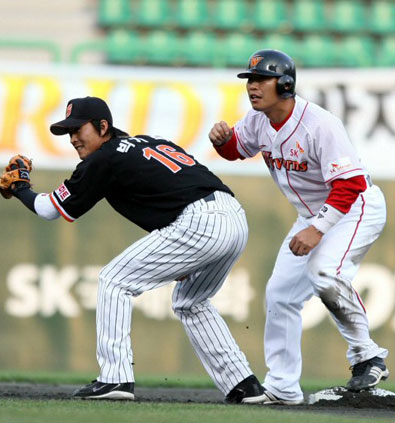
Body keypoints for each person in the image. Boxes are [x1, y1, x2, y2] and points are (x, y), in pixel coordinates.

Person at [0, 96, 268, 403]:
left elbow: (49, 209)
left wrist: (21, 188)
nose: (73, 137)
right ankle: (244, 386)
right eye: (67, 132)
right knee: (190, 302)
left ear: (103, 127)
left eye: (78, 129)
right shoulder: (147, 143)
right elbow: (172, 191)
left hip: (200, 222)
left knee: (114, 281)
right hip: (232, 215)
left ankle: (115, 378)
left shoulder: (105, 158)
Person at [208, 50, 389, 405]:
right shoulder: (259, 120)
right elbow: (237, 150)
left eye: (261, 80)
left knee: (324, 271)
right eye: (250, 80)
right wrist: (222, 142)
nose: (253, 87)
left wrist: (318, 229)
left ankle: (367, 355)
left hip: (356, 207)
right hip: (313, 216)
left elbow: (350, 185)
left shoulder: (320, 124)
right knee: (280, 296)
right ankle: (283, 386)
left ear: (286, 84)